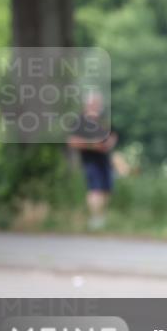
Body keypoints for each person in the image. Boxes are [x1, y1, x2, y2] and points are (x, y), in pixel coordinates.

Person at [66, 90, 117, 230]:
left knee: (106, 189)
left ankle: (101, 218)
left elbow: (113, 134)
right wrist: (94, 145)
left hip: (105, 159)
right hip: (90, 160)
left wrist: (109, 144)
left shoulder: (103, 119)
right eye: (94, 102)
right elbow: (72, 141)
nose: (97, 105)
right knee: (95, 189)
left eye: (98, 103)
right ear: (87, 104)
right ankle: (95, 219)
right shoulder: (80, 121)